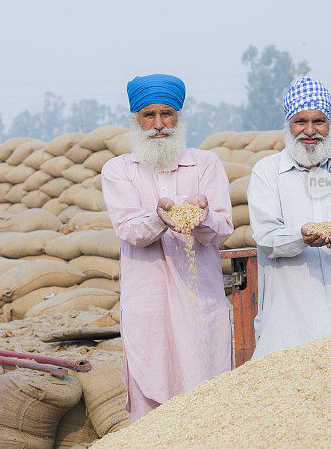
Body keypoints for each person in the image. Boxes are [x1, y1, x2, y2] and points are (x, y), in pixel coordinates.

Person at [101, 73, 233, 422]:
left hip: (198, 296)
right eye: (149, 115)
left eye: (167, 114)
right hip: (148, 299)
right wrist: (161, 218)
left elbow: (223, 226)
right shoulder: (119, 170)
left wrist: (201, 216)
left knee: (206, 381)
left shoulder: (206, 164)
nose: (158, 125)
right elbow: (129, 229)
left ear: (179, 116)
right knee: (152, 384)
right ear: (136, 120)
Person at [247, 77, 331, 359]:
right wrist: (302, 236)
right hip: (291, 312)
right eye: (300, 121)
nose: (310, 131)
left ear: (330, 124)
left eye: (319, 121)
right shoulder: (267, 172)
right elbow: (265, 236)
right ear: (288, 125)